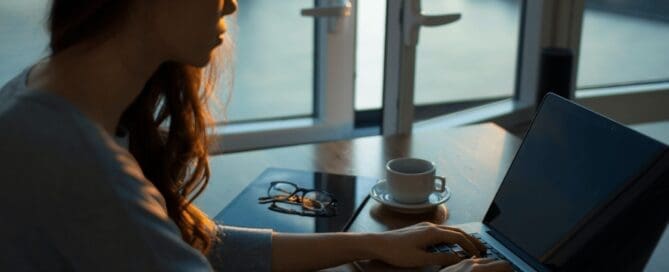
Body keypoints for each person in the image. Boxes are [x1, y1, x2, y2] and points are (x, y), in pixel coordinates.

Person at [0, 0, 512, 271]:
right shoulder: (85, 170)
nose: (232, 5)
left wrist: (373, 243)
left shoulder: (35, 96)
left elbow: (189, 247)